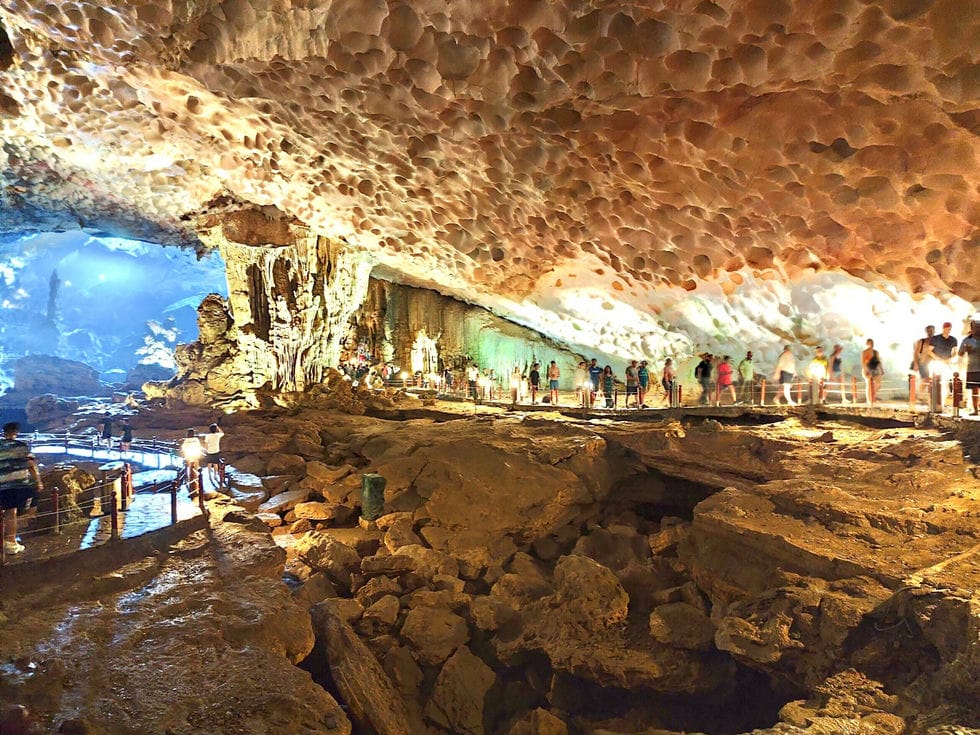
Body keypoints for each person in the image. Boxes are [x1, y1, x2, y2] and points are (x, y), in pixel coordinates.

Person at [0, 422, 44, 555]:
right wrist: (38, 481)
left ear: (3, 432)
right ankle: (11, 543)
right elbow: (31, 465)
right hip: (16, 485)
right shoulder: (22, 446)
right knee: (10, 513)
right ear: (16, 432)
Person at [930, 321, 959, 404]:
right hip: (937, 363)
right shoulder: (935, 338)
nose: (948, 330)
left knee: (946, 382)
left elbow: (955, 352)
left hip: (947, 363)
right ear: (943, 328)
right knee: (937, 383)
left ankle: (943, 402)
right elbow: (929, 351)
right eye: (946, 328)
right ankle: (936, 402)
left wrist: (949, 359)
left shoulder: (953, 339)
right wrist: (938, 359)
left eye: (949, 329)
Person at [958, 318, 980, 416]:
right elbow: (959, 353)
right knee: (974, 389)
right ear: (972, 328)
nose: (977, 329)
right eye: (975, 327)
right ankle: (975, 410)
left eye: (979, 327)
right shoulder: (967, 340)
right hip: (972, 367)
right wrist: (965, 350)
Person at [910, 325, 935, 403]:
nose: (930, 332)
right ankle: (919, 396)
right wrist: (916, 363)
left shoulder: (937, 341)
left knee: (932, 380)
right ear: (926, 332)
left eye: (931, 330)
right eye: (929, 331)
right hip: (922, 362)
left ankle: (929, 397)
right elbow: (916, 353)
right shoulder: (922, 341)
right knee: (925, 379)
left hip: (933, 363)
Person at [180, 429, 205, 497]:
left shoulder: (186, 440)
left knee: (189, 468)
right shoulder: (196, 440)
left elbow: (183, 448)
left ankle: (190, 481)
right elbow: (199, 447)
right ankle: (196, 482)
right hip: (195, 455)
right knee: (196, 469)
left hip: (188, 455)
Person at [862, 339, 884, 406]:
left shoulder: (876, 352)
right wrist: (866, 370)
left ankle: (873, 397)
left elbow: (878, 361)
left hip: (875, 368)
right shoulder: (865, 352)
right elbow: (863, 362)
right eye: (870, 343)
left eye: (872, 342)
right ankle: (869, 400)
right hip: (868, 368)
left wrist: (881, 369)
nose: (871, 344)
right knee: (868, 384)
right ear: (867, 344)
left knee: (878, 384)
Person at [202, 423, 224, 488]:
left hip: (209, 451)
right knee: (215, 463)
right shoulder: (217, 435)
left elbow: (206, 444)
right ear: (215, 429)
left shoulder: (207, 436)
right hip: (216, 451)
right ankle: (215, 475)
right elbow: (222, 432)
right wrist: (218, 427)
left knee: (209, 462)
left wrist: (206, 450)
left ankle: (209, 474)